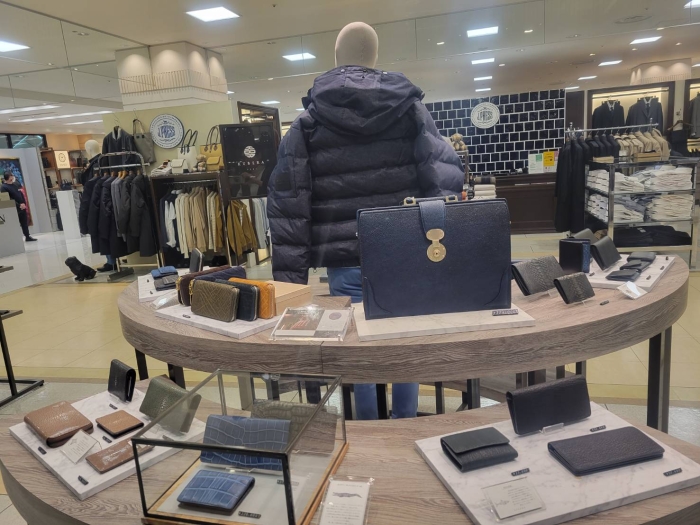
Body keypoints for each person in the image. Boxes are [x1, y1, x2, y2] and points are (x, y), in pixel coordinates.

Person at [267, 23, 463, 419]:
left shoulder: (308, 121)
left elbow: (289, 202)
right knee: (403, 342)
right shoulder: (410, 110)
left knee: (355, 345)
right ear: (374, 58)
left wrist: (289, 286)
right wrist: (448, 253)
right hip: (406, 250)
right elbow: (442, 178)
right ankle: (405, 421)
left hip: (345, 258)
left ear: (336, 58)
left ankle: (367, 426)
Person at [1, 171, 37, 242]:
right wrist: (18, 205)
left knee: (24, 223)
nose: (13, 177)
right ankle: (16, 238)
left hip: (22, 207)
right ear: (9, 177)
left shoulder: (15, 184)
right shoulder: (3, 187)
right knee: (15, 224)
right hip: (14, 208)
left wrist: (24, 203)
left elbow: (21, 194)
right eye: (11, 176)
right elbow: (8, 198)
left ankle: (27, 236)